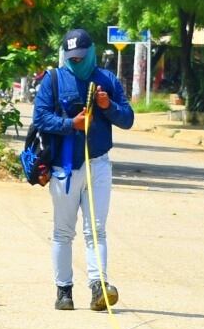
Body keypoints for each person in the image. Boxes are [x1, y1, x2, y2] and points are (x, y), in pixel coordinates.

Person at [31, 26, 134, 311]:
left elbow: (127, 119)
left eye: (81, 56)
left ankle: (98, 286)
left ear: (91, 53)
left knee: (96, 230)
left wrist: (107, 105)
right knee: (63, 231)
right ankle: (63, 290)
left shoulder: (107, 80)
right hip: (64, 168)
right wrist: (70, 124)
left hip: (98, 165)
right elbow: (40, 118)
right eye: (71, 57)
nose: (76, 61)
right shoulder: (53, 79)